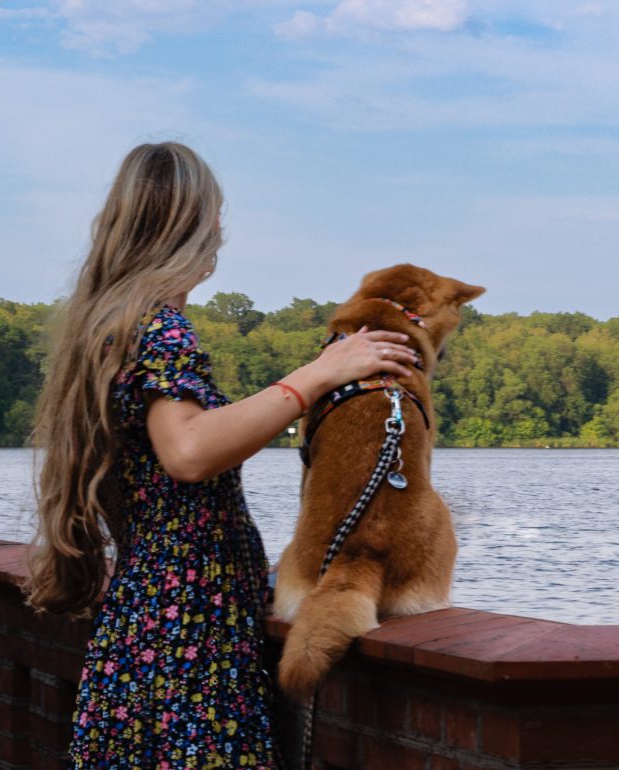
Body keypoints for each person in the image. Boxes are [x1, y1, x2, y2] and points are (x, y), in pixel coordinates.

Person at [26, 141, 417, 769]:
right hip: (188, 641)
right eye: (215, 214)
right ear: (198, 223)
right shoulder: (161, 328)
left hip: (144, 626)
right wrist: (318, 375)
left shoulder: (111, 327)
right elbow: (187, 452)